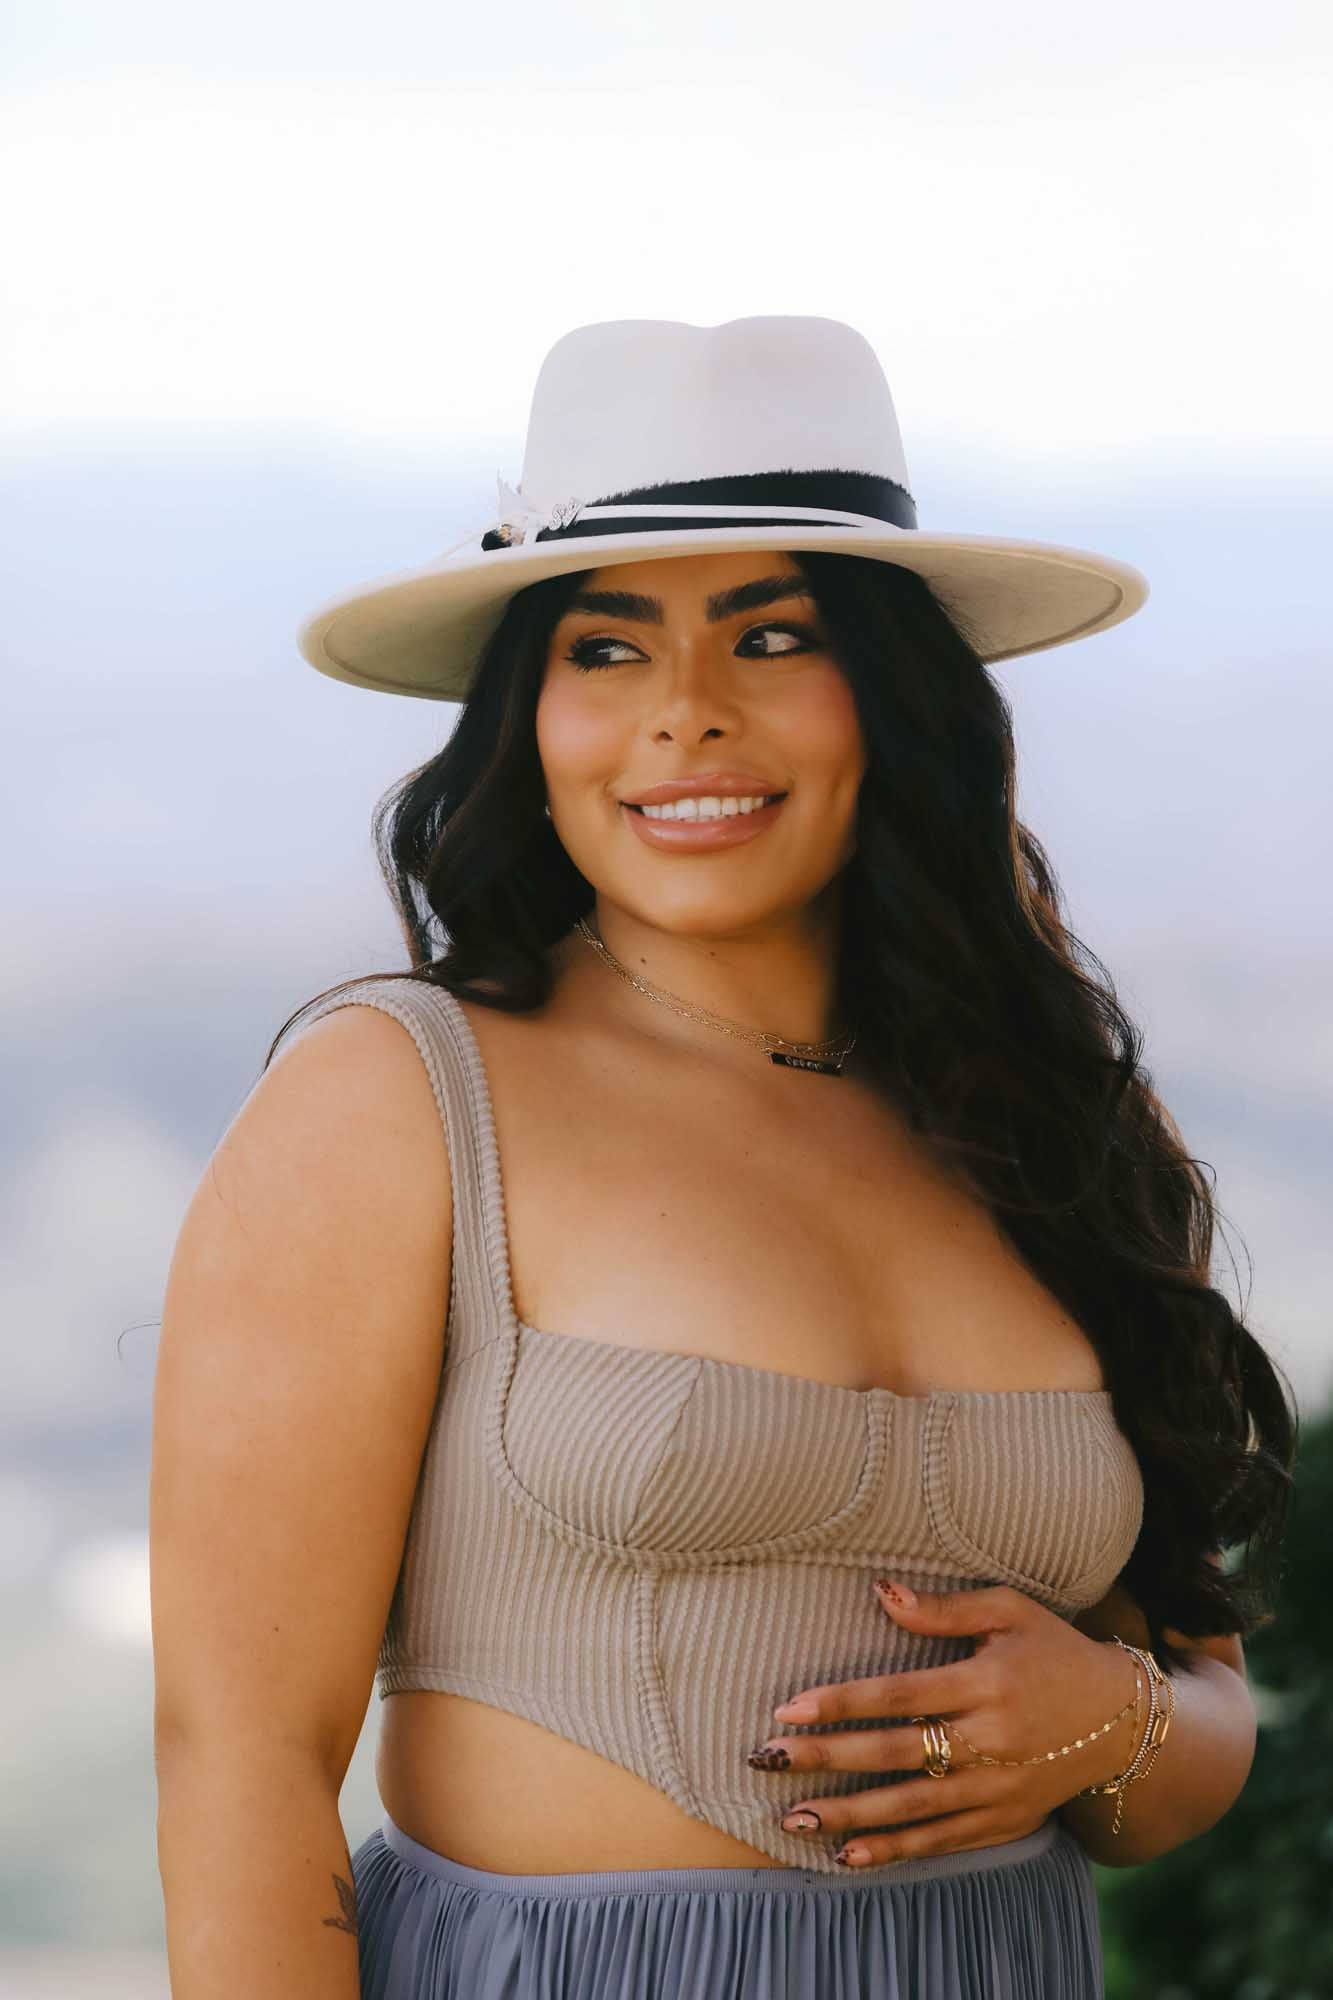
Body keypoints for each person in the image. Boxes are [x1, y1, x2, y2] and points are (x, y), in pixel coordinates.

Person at [150, 317, 1297, 2000]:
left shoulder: (1051, 1124)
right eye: (605, 654)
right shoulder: (399, 1099)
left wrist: (1110, 1720)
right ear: (524, 718)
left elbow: (1186, 1729)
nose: (684, 718)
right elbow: (238, 1753)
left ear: (893, 702)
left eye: (770, 637)